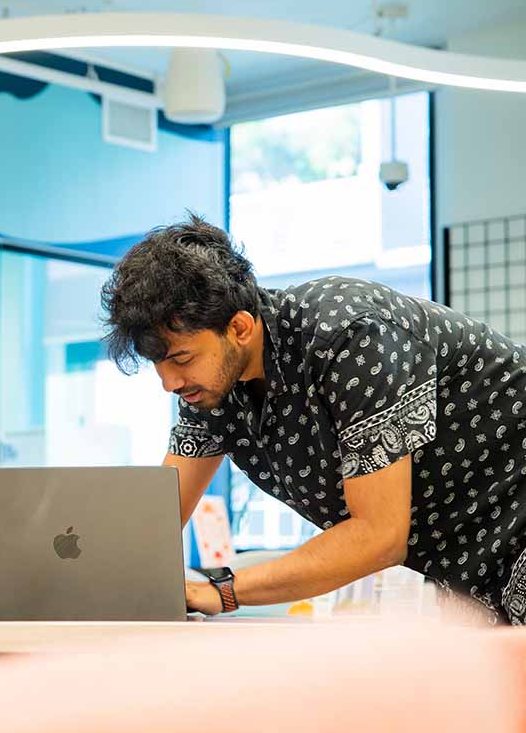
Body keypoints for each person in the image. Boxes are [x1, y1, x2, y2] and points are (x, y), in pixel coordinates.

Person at [102, 215, 526, 623]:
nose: (169, 383)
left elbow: (378, 535)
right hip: (471, 566)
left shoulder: (349, 337)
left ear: (240, 328)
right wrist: (88, 582)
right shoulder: (211, 389)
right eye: (158, 364)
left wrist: (223, 591)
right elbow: (156, 522)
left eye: (181, 358)